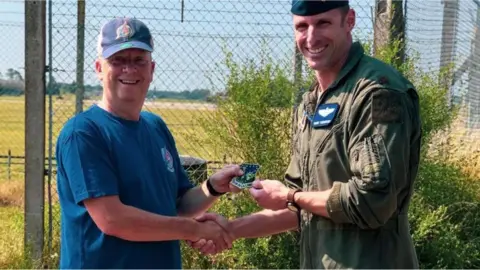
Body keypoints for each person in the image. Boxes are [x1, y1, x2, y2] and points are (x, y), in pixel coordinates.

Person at [191, 0, 422, 269]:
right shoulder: (312, 102)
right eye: (302, 26)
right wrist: (230, 228)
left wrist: (290, 196)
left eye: (323, 23)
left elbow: (372, 201)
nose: (311, 37)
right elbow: (300, 210)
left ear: (349, 21)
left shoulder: (376, 93)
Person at [55, 17, 241, 269]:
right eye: (117, 61)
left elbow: (176, 206)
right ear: (99, 68)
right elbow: (112, 219)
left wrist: (212, 188)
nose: (129, 70)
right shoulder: (84, 133)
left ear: (151, 69)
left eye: (138, 61)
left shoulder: (155, 127)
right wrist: (193, 230)